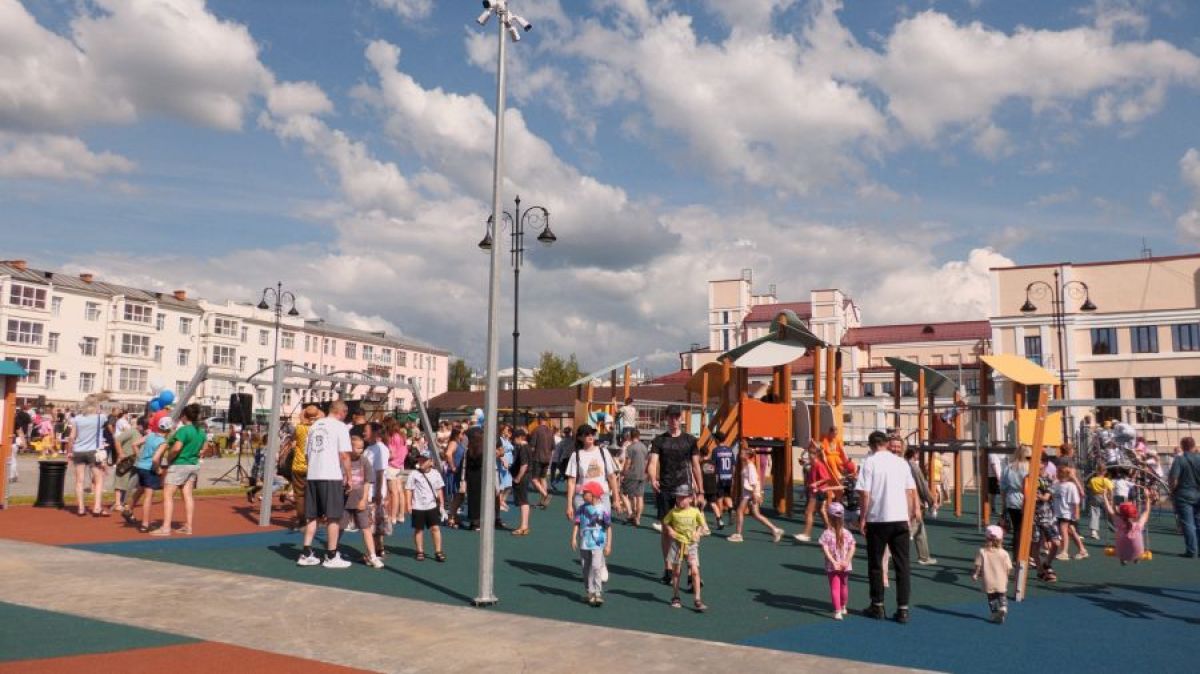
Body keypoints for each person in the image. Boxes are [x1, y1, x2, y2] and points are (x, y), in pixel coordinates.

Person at [856, 430, 917, 624]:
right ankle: (903, 608)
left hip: (878, 518)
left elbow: (865, 493)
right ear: (886, 444)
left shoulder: (869, 462)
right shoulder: (901, 463)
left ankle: (878, 605)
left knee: (875, 564)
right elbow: (909, 491)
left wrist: (863, 517)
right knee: (902, 565)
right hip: (900, 518)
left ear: (871, 445)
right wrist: (908, 515)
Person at [647, 405, 704, 585]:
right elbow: (653, 462)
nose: (674, 420)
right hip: (665, 488)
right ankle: (668, 568)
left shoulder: (690, 440)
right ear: (666, 418)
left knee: (688, 529)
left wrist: (701, 491)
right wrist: (652, 478)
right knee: (666, 530)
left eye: (677, 417)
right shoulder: (659, 441)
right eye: (671, 417)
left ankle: (691, 570)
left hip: (685, 490)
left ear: (681, 418)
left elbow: (696, 466)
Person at [296, 400, 353, 568]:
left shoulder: (314, 426)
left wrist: (314, 467)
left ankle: (306, 552)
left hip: (313, 475)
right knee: (333, 517)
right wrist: (349, 477)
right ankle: (331, 555)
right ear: (342, 412)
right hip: (331, 475)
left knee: (312, 516)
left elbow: (307, 454)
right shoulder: (340, 427)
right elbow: (344, 455)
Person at [149, 404, 204, 536]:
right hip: (193, 464)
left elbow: (177, 447)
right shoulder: (200, 431)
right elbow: (205, 447)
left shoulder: (183, 430)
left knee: (168, 494)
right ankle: (188, 526)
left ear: (184, 416)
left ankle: (166, 527)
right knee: (188, 495)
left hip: (180, 464)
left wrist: (169, 457)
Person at [728, 441, 784, 543]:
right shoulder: (747, 465)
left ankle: (738, 535)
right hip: (748, 493)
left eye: (742, 453)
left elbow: (754, 482)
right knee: (756, 514)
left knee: (740, 511)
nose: (740, 455)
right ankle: (775, 530)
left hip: (750, 493)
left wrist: (755, 494)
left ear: (747, 456)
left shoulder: (750, 467)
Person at [663, 484, 707, 611]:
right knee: (677, 571)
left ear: (690, 498)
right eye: (678, 497)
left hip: (691, 545)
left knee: (695, 571)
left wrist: (698, 532)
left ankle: (697, 599)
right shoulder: (673, 512)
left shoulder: (695, 512)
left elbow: (702, 524)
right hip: (677, 545)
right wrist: (670, 530)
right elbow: (666, 522)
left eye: (683, 497)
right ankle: (676, 596)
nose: (680, 500)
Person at [343, 434, 383, 568]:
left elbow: (367, 481)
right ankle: (333, 552)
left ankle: (372, 555)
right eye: (358, 448)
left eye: (362, 448)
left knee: (366, 527)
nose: (361, 450)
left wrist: (364, 499)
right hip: (344, 500)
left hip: (360, 499)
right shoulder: (343, 460)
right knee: (340, 527)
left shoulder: (364, 461)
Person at [565, 424, 620, 519]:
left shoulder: (604, 452)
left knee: (604, 525)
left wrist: (616, 499)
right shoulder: (576, 455)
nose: (590, 436)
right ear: (580, 438)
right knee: (584, 526)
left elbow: (612, 477)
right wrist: (569, 505)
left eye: (592, 433)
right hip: (582, 498)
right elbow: (571, 482)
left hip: (602, 496)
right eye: (586, 434)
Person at [571, 482, 613, 606]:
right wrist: (573, 538)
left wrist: (608, 544)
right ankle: (590, 592)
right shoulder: (582, 508)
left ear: (593, 495)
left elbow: (608, 527)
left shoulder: (603, 510)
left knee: (596, 567)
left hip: (598, 543)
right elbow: (577, 523)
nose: (583, 495)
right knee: (585, 567)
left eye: (585, 493)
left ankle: (598, 593)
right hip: (585, 542)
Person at [67, 405, 108, 517]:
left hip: (79, 450)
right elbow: (105, 417)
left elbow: (71, 437)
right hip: (93, 451)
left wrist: (69, 451)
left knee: (79, 480)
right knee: (98, 479)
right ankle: (97, 507)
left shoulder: (77, 418)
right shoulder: (100, 417)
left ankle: (81, 508)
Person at [407, 451, 446, 562]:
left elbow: (439, 489)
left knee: (435, 528)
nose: (421, 462)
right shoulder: (414, 474)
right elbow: (409, 489)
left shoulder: (436, 473)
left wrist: (442, 504)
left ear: (431, 462)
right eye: (420, 459)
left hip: (432, 506)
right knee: (419, 530)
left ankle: (438, 551)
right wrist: (409, 504)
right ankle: (420, 551)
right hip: (418, 506)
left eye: (424, 460)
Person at [133, 417, 171, 533]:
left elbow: (134, 444)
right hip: (150, 469)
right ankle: (145, 524)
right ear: (169, 430)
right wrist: (158, 469)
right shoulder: (163, 442)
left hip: (140, 467)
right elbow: (155, 459)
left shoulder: (150, 435)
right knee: (148, 497)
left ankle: (130, 509)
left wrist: (140, 457)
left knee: (141, 489)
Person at [820, 501, 855, 621]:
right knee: (844, 585)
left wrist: (834, 562)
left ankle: (838, 611)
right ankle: (843, 606)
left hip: (832, 566)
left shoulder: (827, 533)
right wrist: (846, 560)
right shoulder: (847, 533)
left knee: (835, 587)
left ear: (829, 517)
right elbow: (852, 547)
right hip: (845, 565)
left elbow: (824, 548)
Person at [290, 405, 322, 530]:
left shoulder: (299, 428)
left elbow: (293, 442)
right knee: (315, 494)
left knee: (299, 495)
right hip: (314, 465)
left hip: (298, 464)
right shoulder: (319, 429)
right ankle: (315, 519)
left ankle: (302, 520)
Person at [972, 525, 1013, 624]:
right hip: (1001, 579)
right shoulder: (1004, 553)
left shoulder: (982, 551)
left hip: (988, 579)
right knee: (1002, 594)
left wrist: (976, 574)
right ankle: (1003, 607)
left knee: (991, 597)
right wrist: (1006, 577)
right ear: (1001, 539)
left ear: (986, 538)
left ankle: (994, 613)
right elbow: (1008, 568)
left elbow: (978, 565)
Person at [903, 448, 937, 565]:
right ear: (914, 454)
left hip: (907, 500)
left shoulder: (903, 464)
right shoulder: (913, 467)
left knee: (919, 528)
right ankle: (894, 555)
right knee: (910, 530)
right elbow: (922, 485)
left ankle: (924, 556)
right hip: (914, 501)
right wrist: (931, 501)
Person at [1168, 437, 1200, 558]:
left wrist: (1172, 491)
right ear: (1194, 446)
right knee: (1198, 522)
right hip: (1198, 493)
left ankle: (1191, 551)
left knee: (1188, 523)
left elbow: (1174, 478)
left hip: (1184, 494)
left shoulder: (1179, 460)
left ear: (1182, 446)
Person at [1103, 492, 1150, 565]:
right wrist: (1147, 497)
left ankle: (1123, 559)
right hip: (1138, 553)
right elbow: (1147, 511)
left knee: (1122, 548)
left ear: (1121, 513)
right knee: (1137, 550)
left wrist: (1104, 496)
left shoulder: (1118, 522)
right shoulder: (1138, 525)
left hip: (1121, 553)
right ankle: (1136, 558)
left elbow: (1109, 510)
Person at [1001, 447, 1032, 555]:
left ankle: (1016, 555)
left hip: (1012, 499)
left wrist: (1004, 504)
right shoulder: (1030, 467)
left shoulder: (1009, 467)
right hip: (1027, 498)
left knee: (1017, 529)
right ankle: (1027, 554)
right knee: (1028, 529)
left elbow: (1003, 487)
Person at [1053, 465, 1087, 560]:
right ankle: (1082, 550)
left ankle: (1064, 552)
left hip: (1066, 512)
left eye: (1058, 473)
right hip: (1059, 512)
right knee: (1071, 531)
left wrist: (1076, 513)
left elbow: (1076, 501)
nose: (1056, 474)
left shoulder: (1070, 486)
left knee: (1063, 530)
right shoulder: (1056, 484)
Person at [112, 415, 145, 515]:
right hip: (125, 460)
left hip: (134, 461)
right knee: (120, 480)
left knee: (129, 482)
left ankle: (124, 502)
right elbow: (117, 440)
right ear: (140, 425)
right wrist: (120, 453)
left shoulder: (142, 434)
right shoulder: (131, 431)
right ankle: (117, 504)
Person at [619, 429, 648, 526]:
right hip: (642, 474)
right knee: (640, 496)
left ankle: (630, 513)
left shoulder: (630, 447)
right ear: (639, 436)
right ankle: (638, 518)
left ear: (630, 436)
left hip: (632, 474)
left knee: (623, 493)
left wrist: (623, 473)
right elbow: (646, 461)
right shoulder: (644, 447)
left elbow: (628, 462)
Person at [510, 427, 534, 535]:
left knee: (523, 501)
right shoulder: (527, 447)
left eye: (514, 438)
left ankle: (524, 526)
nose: (513, 440)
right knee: (523, 501)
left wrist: (518, 478)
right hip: (526, 476)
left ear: (520, 438)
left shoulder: (523, 448)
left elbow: (524, 465)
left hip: (523, 477)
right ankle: (524, 526)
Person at [530, 414, 556, 508]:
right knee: (543, 478)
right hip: (547, 458)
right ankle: (542, 501)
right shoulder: (550, 431)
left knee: (534, 479)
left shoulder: (536, 430)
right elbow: (553, 447)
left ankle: (545, 495)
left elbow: (532, 446)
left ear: (540, 419)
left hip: (538, 458)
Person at [712, 433, 735, 527]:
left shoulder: (716, 451)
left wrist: (714, 478)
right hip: (728, 476)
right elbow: (733, 465)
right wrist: (733, 477)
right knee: (727, 495)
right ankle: (731, 508)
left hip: (720, 477)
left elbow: (713, 466)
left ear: (717, 440)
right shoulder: (730, 450)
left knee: (719, 498)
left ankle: (720, 518)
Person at [1086, 469, 1113, 541]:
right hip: (1105, 497)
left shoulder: (1093, 480)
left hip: (1095, 496)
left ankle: (1094, 532)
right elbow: (1111, 490)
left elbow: (1089, 488)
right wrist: (1111, 499)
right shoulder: (1107, 480)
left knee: (1094, 513)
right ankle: (1114, 527)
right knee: (1110, 512)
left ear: (1097, 471)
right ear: (1105, 472)